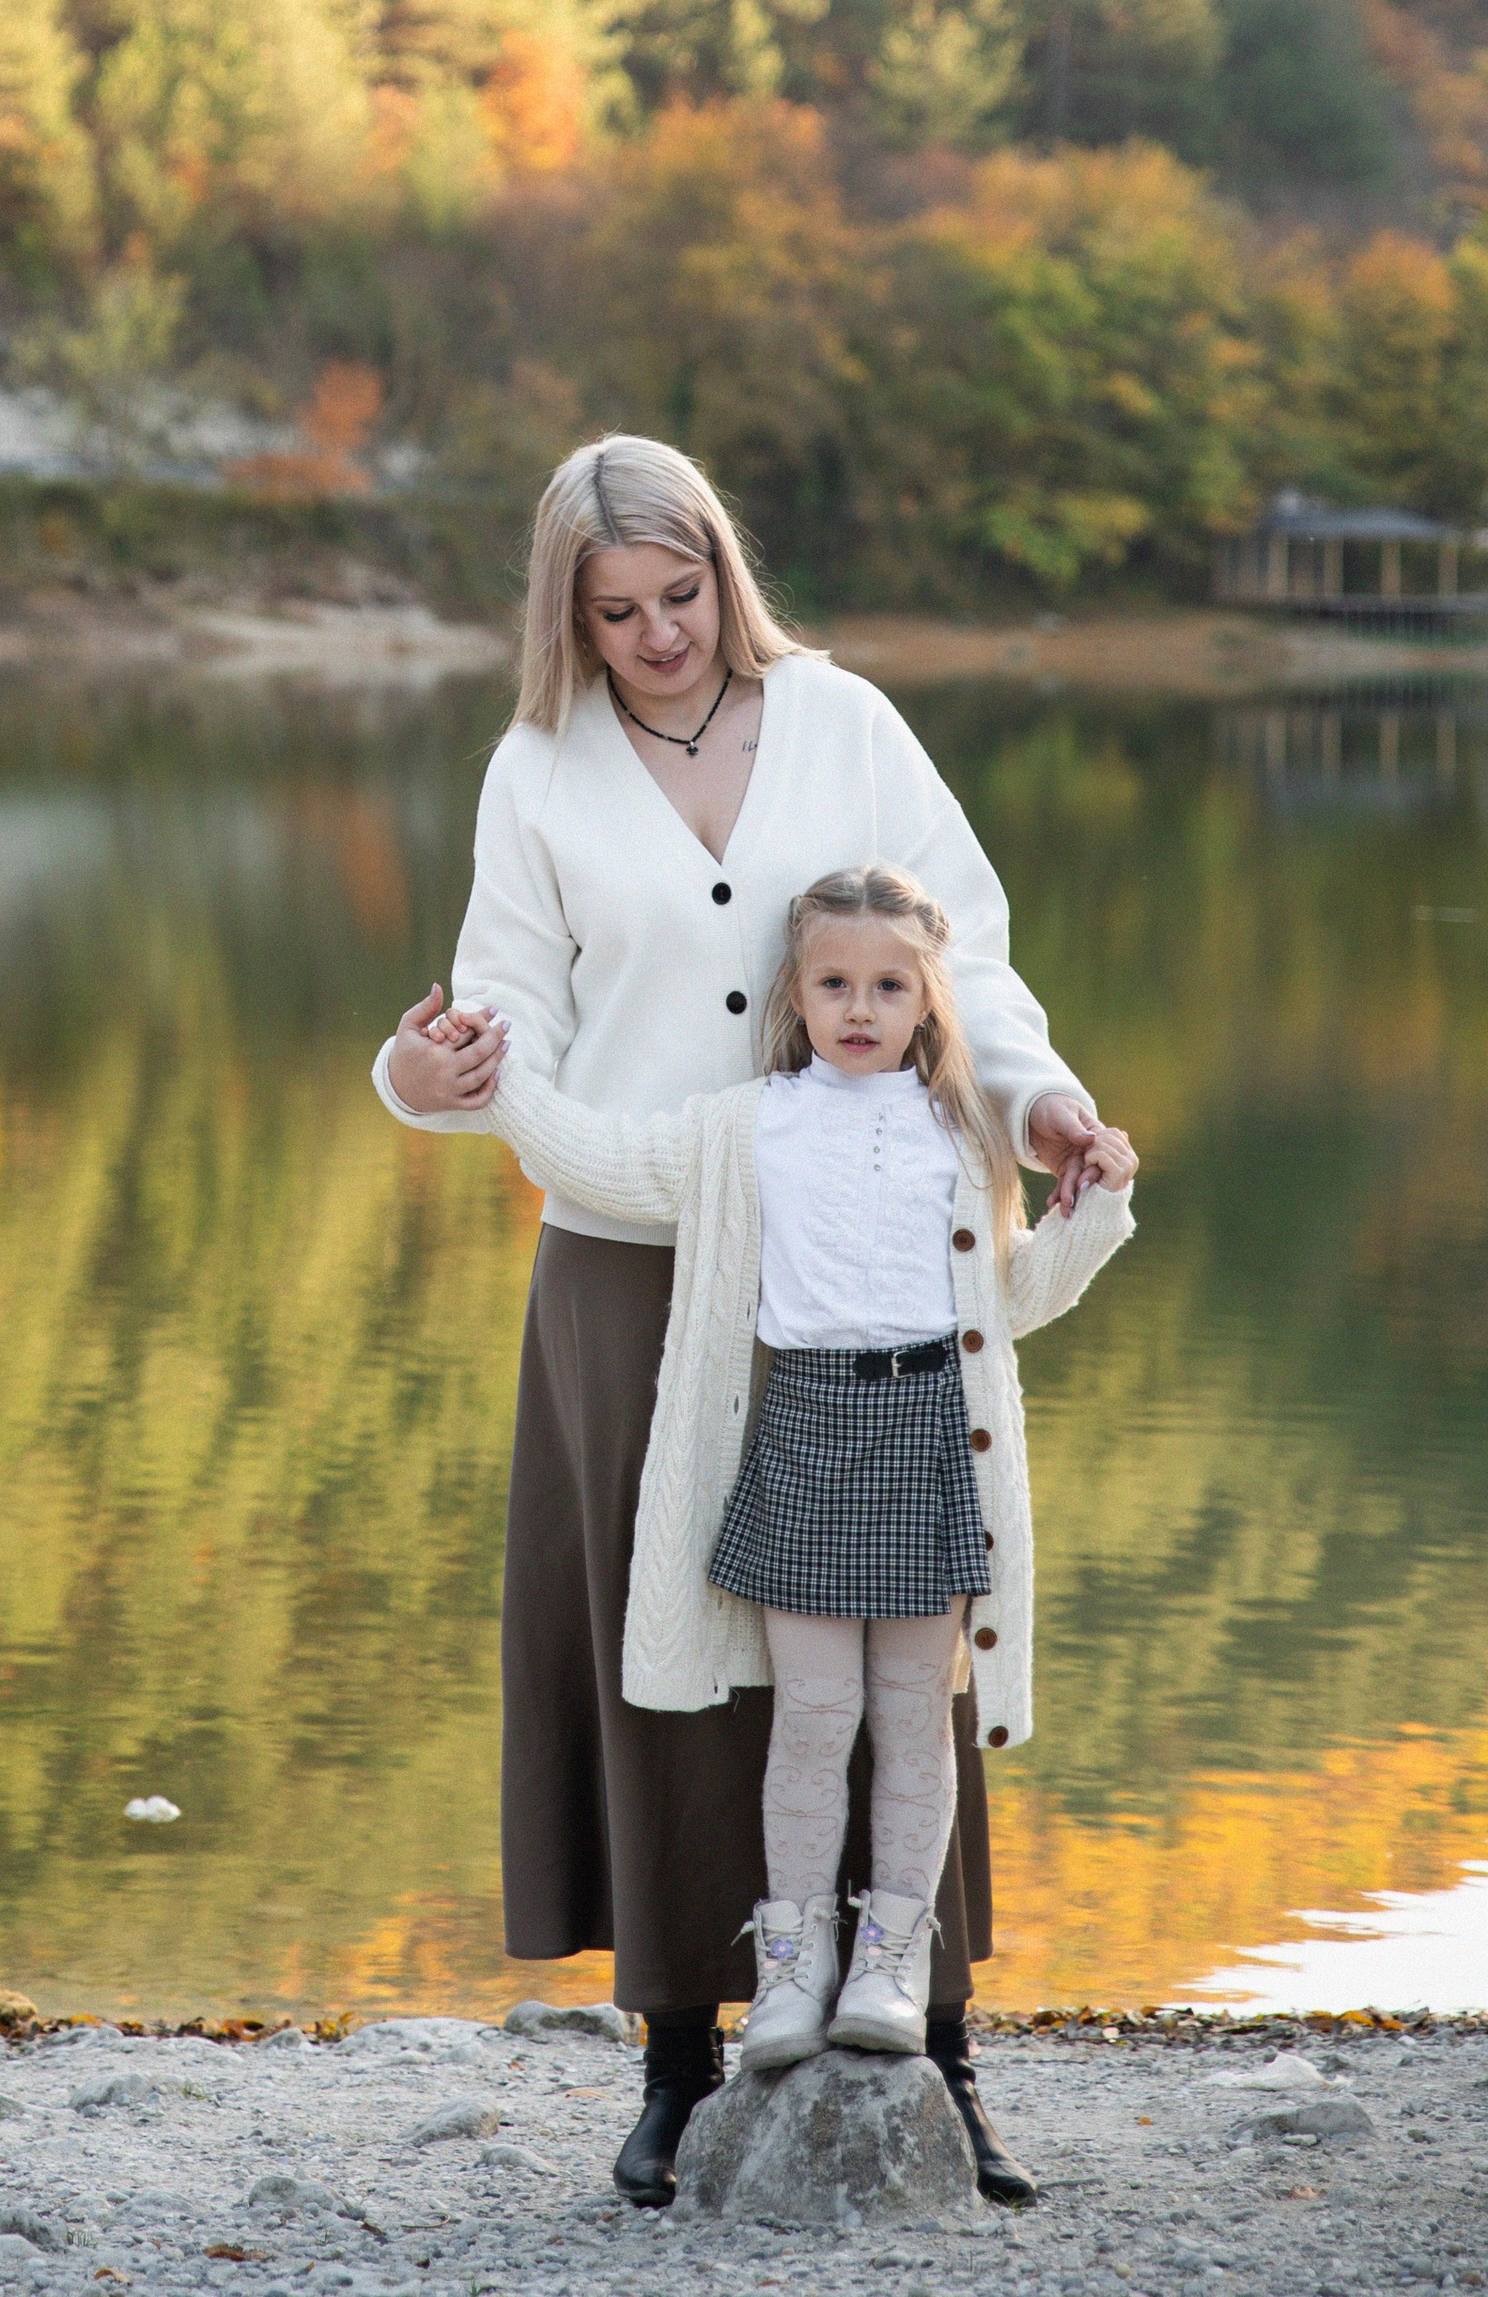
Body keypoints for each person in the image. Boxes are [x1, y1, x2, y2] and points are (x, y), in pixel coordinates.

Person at [375, 434, 1132, 2208]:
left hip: (871, 1242)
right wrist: (424, 1077)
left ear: (727, 565)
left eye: (681, 592)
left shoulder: (851, 720)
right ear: (569, 613)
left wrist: (1038, 1108)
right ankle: (677, 2053)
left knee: (895, 1634)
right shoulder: (536, 766)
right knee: (669, 1642)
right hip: (635, 1248)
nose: (656, 635)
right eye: (614, 608)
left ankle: (935, 2043)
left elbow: (974, 957)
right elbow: (501, 1010)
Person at [469, 865, 1135, 2092]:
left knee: (911, 1723)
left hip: (932, 1439)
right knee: (811, 1720)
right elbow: (604, 1160)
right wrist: (501, 1077)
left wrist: (1088, 1213)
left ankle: (889, 1958)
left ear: (929, 1002)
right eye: (835, 981)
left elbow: (1015, 1296)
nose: (860, 1005)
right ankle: (791, 1964)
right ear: (795, 990)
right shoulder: (744, 1127)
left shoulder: (964, 1136)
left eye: (889, 985)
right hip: (802, 1438)